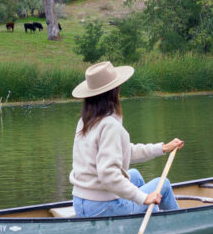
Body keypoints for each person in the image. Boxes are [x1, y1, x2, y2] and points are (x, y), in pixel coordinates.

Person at [70, 61, 184, 218]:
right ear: (113, 92)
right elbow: (108, 174)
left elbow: (123, 151)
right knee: (163, 184)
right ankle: (179, 221)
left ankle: (151, 216)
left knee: (134, 175)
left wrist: (161, 148)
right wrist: (143, 198)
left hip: (81, 202)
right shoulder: (109, 125)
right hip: (102, 207)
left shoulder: (85, 121)